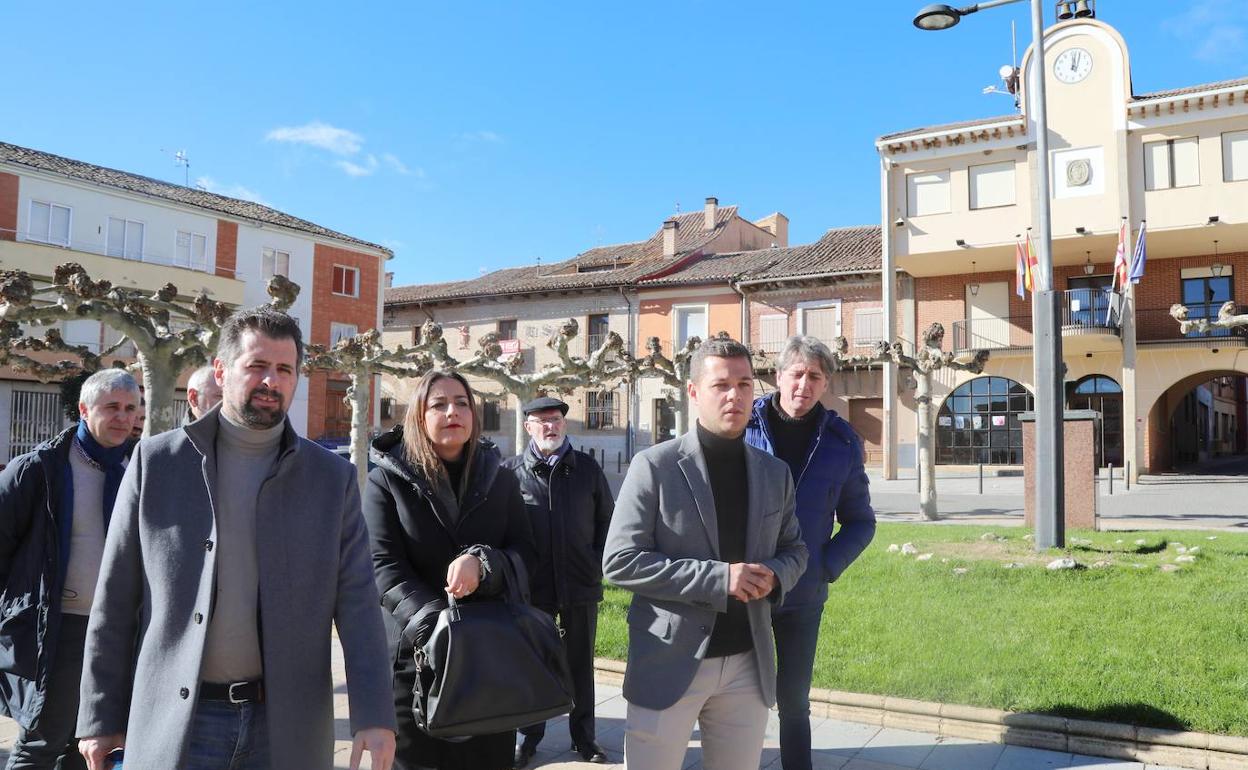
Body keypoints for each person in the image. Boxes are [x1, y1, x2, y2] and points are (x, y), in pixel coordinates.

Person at [76, 306, 396, 770]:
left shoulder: (333, 479)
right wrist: (101, 715)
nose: (271, 381)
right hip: (179, 721)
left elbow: (359, 603)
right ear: (222, 372)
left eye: (285, 370)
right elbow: (115, 599)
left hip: (287, 725)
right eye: (257, 366)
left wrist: (374, 713)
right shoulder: (156, 463)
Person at [602, 337, 808, 770]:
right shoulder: (654, 466)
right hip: (669, 661)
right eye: (721, 385)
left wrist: (774, 575)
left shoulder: (775, 472)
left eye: (745, 383)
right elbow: (620, 560)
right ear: (694, 392)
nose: (734, 395)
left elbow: (795, 550)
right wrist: (719, 580)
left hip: (748, 665)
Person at [364, 370, 536, 770]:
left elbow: (526, 552)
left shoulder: (502, 478)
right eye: (438, 404)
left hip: (489, 657)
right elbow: (382, 566)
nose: (451, 412)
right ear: (419, 416)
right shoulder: (385, 482)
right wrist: (439, 631)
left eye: (461, 403)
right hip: (415, 658)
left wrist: (485, 564)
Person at [745, 335, 876, 770]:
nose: (803, 384)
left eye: (814, 376)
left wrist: (825, 567)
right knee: (737, 699)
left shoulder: (842, 443)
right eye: (796, 373)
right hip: (744, 590)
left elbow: (861, 521)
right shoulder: (741, 428)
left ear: (826, 384)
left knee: (794, 703)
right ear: (778, 376)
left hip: (803, 596)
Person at [0, 369, 140, 770]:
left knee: (92, 746)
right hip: (61, 629)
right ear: (83, 409)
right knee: (43, 742)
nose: (122, 417)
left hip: (121, 631)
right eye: (111, 407)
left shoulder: (142, 466)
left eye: (130, 408)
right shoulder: (39, 469)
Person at [504, 396, 613, 767]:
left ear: (564, 425)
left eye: (555, 420)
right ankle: (527, 738)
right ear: (527, 427)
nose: (550, 427)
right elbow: (501, 531)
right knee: (532, 664)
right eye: (541, 421)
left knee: (581, 665)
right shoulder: (510, 473)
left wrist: (596, 563)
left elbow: (606, 522)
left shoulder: (586, 469)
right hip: (532, 590)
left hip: (580, 584)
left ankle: (585, 738)